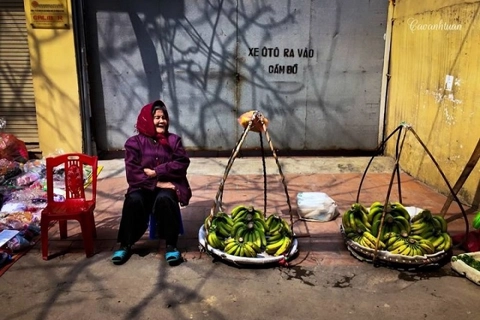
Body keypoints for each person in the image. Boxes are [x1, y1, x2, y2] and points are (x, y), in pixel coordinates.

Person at [111, 100, 192, 266]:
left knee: (166, 199)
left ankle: (171, 245)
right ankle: (125, 245)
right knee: (134, 200)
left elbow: (182, 163)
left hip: (166, 186)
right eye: (156, 117)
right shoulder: (134, 143)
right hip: (142, 186)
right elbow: (133, 174)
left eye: (164, 117)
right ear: (147, 119)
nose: (161, 121)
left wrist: (158, 171)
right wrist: (158, 183)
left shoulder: (174, 141)